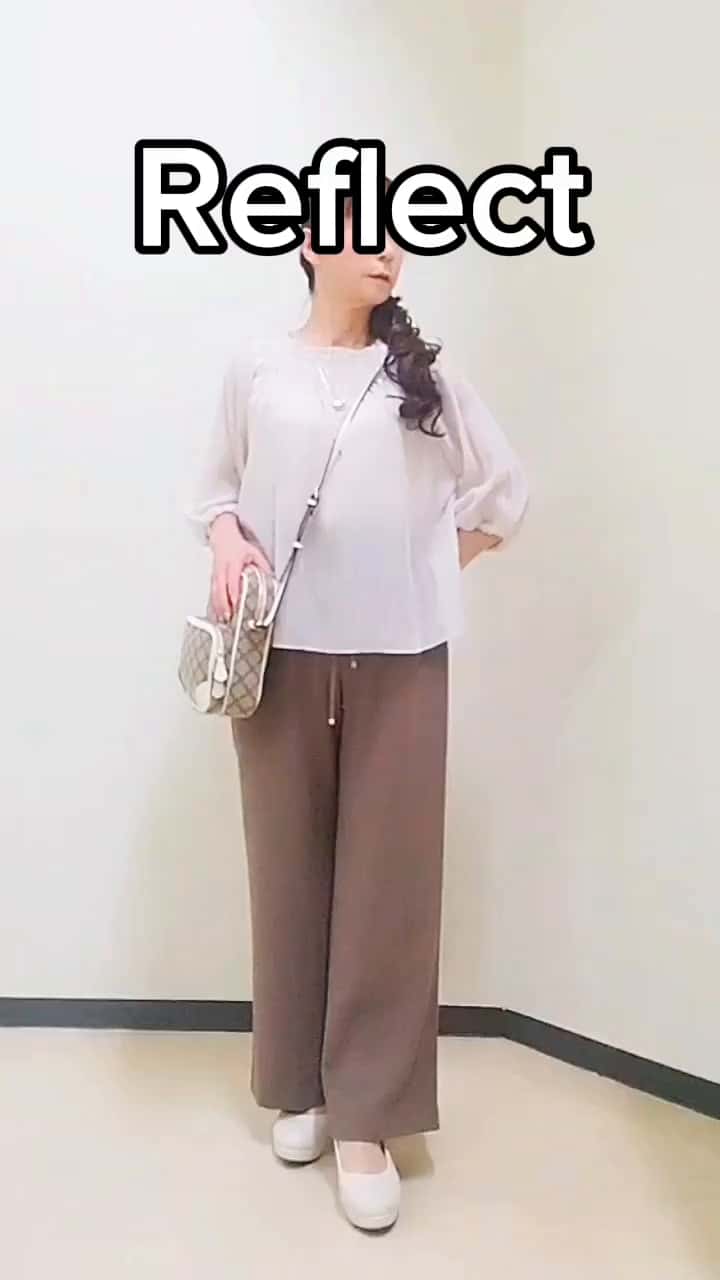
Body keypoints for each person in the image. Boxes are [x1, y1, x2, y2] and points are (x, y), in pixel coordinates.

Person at [186, 188, 529, 1231]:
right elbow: (215, 493)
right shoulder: (258, 367)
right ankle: (303, 1082)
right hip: (279, 652)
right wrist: (228, 542)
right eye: (367, 234)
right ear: (309, 244)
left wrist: (427, 568)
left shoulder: (424, 375)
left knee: (389, 882)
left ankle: (369, 1115)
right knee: (287, 868)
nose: (390, 253)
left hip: (402, 656)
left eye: (402, 238)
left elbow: (504, 493)